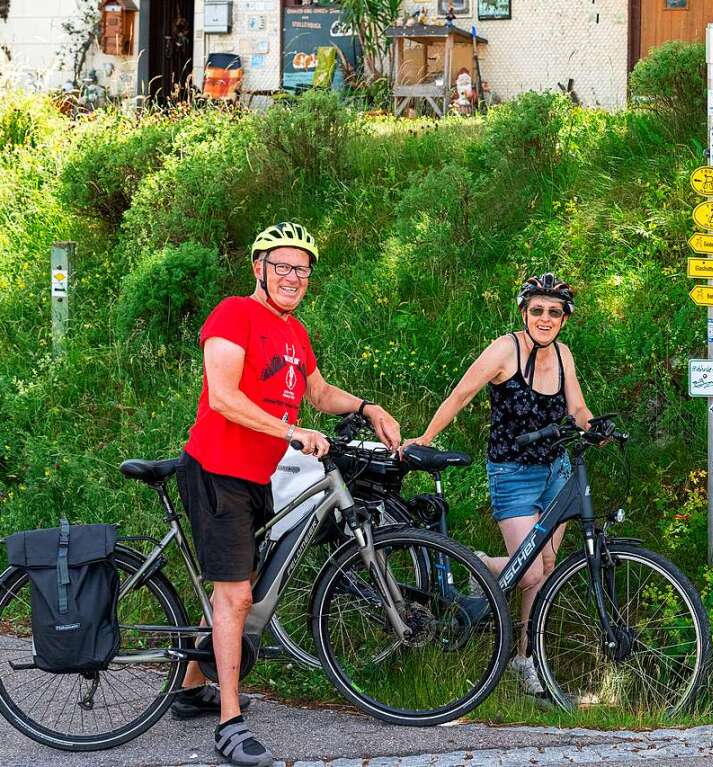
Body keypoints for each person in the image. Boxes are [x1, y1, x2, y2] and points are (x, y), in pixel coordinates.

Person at [173, 222, 401, 766]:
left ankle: (190, 689)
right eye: (281, 266)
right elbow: (224, 397)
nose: (292, 277)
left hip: (256, 476)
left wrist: (367, 407)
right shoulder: (234, 314)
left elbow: (317, 392)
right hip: (218, 469)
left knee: (238, 584)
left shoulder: (295, 333)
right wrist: (289, 431)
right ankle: (230, 723)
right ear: (259, 268)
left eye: (301, 269)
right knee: (236, 596)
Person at [403, 273, 597, 696]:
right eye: (538, 310)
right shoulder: (503, 350)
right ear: (524, 312)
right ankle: (479, 564)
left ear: (564, 319)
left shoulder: (563, 355)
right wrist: (426, 437)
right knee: (528, 572)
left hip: (556, 472)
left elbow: (577, 406)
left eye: (554, 312)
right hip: (513, 474)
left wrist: (592, 426)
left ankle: (525, 658)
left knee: (544, 571)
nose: (545, 319)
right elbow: (461, 394)